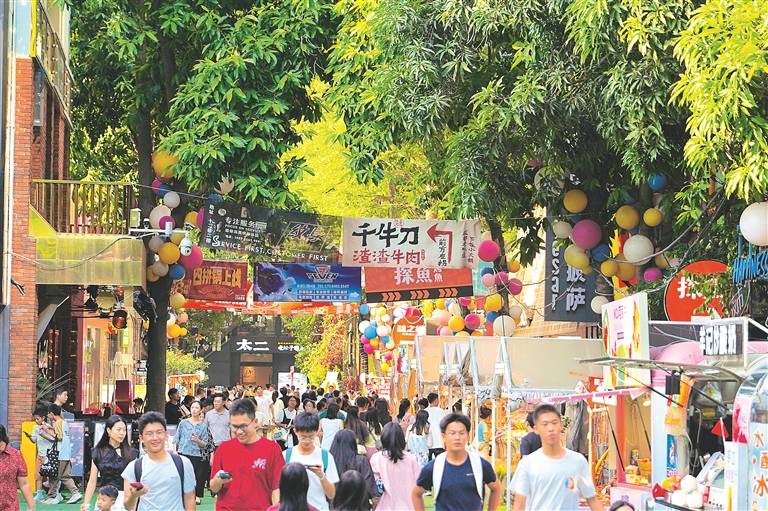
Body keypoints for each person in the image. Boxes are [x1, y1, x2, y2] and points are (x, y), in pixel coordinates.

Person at [512, 404, 601, 511]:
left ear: (561, 425)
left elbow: (592, 499)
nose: (550, 428)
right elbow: (519, 505)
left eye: (554, 423)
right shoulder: (527, 464)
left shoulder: (578, 461)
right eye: (545, 424)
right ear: (536, 429)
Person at [412, 413, 501, 511]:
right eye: (452, 433)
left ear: (468, 435)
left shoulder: (480, 464)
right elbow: (416, 493)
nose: (457, 437)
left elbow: (496, 488)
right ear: (444, 436)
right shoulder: (435, 466)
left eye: (461, 433)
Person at [210, 398, 285, 511]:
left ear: (255, 422)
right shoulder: (223, 449)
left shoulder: (272, 449)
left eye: (243, 426)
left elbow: (277, 488)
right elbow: (214, 488)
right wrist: (218, 480)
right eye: (234, 426)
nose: (239, 431)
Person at [122, 412, 196, 511]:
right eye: (149, 433)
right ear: (141, 438)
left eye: (159, 432)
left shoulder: (183, 463)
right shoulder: (134, 467)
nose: (155, 438)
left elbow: (190, 498)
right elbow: (128, 506)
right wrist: (134, 496)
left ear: (166, 435)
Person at [283, 412, 339, 511]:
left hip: (320, 507)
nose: (307, 441)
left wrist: (321, 476)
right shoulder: (286, 456)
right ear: (295, 431)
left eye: (311, 437)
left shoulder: (325, 457)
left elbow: (331, 494)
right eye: (303, 437)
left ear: (317, 431)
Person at [82, 415, 138, 511]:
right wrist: (86, 503)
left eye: (124, 430)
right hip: (104, 499)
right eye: (118, 429)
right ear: (109, 430)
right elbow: (92, 481)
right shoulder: (97, 452)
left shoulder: (132, 454)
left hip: (124, 499)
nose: (122, 433)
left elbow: (133, 483)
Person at [371, 423, 421, 511]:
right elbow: (419, 485)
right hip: (409, 506)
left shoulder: (376, 458)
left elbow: (375, 487)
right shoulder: (411, 458)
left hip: (385, 507)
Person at [43, 404, 83, 504]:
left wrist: (47, 430)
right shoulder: (63, 422)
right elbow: (63, 436)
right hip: (67, 453)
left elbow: (59, 437)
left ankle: (52, 496)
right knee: (65, 476)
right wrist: (51, 428)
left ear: (51, 413)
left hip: (60, 454)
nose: (48, 416)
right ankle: (75, 493)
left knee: (54, 475)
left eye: (48, 414)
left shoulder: (57, 423)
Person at [174, 401, 210, 505]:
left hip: (197, 454)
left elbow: (205, 444)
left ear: (201, 410)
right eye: (192, 407)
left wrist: (198, 440)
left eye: (196, 408)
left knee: (197, 476)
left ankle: (197, 496)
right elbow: (177, 438)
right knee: (183, 475)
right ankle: (182, 495)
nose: (194, 409)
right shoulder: (183, 423)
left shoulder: (203, 425)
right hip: (183, 452)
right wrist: (176, 451)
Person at [328, 430, 376, 503]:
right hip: (359, 504)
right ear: (352, 443)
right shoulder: (361, 461)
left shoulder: (330, 462)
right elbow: (369, 487)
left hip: (335, 505)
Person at [0, 424, 36, 510]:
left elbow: (24, 483)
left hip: (10, 506)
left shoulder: (15, 455)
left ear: (4, 440)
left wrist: (31, 506)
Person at [28, 405, 55, 502]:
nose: (36, 421)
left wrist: (43, 433)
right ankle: (39, 494)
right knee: (38, 475)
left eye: (37, 419)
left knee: (50, 476)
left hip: (48, 455)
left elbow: (53, 439)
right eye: (35, 419)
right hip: (39, 455)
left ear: (43, 418)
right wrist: (30, 437)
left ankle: (53, 494)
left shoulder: (48, 427)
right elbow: (34, 440)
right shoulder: (35, 427)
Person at [424, 393, 447, 460]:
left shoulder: (424, 411)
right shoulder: (441, 411)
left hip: (427, 441)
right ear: (436, 400)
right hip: (439, 441)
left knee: (428, 463)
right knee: (440, 463)